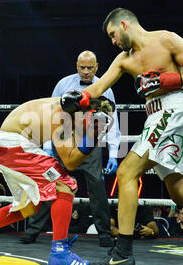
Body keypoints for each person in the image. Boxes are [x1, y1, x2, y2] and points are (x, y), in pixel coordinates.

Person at [67, 7, 183, 265]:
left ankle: (122, 251)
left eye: (112, 34)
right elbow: (98, 88)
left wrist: (165, 80)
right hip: (155, 115)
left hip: (174, 109)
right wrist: (79, 99)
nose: (112, 42)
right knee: (180, 192)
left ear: (124, 25)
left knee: (126, 173)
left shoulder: (166, 39)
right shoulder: (124, 60)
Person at [0, 93, 115, 265]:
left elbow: (72, 158)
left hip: (11, 146)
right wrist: (92, 137)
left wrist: (92, 136)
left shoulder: (71, 112)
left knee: (28, 206)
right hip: (14, 146)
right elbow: (69, 162)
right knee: (66, 185)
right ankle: (59, 252)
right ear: (90, 115)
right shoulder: (64, 117)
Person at [20, 50, 120, 247]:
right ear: (76, 66)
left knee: (98, 189)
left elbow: (112, 121)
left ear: (97, 67)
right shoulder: (63, 85)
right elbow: (50, 116)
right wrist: (47, 146)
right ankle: (32, 230)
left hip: (90, 144)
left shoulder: (105, 88)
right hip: (63, 141)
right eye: (82, 67)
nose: (85, 72)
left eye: (90, 68)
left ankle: (104, 234)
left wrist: (114, 153)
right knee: (50, 184)